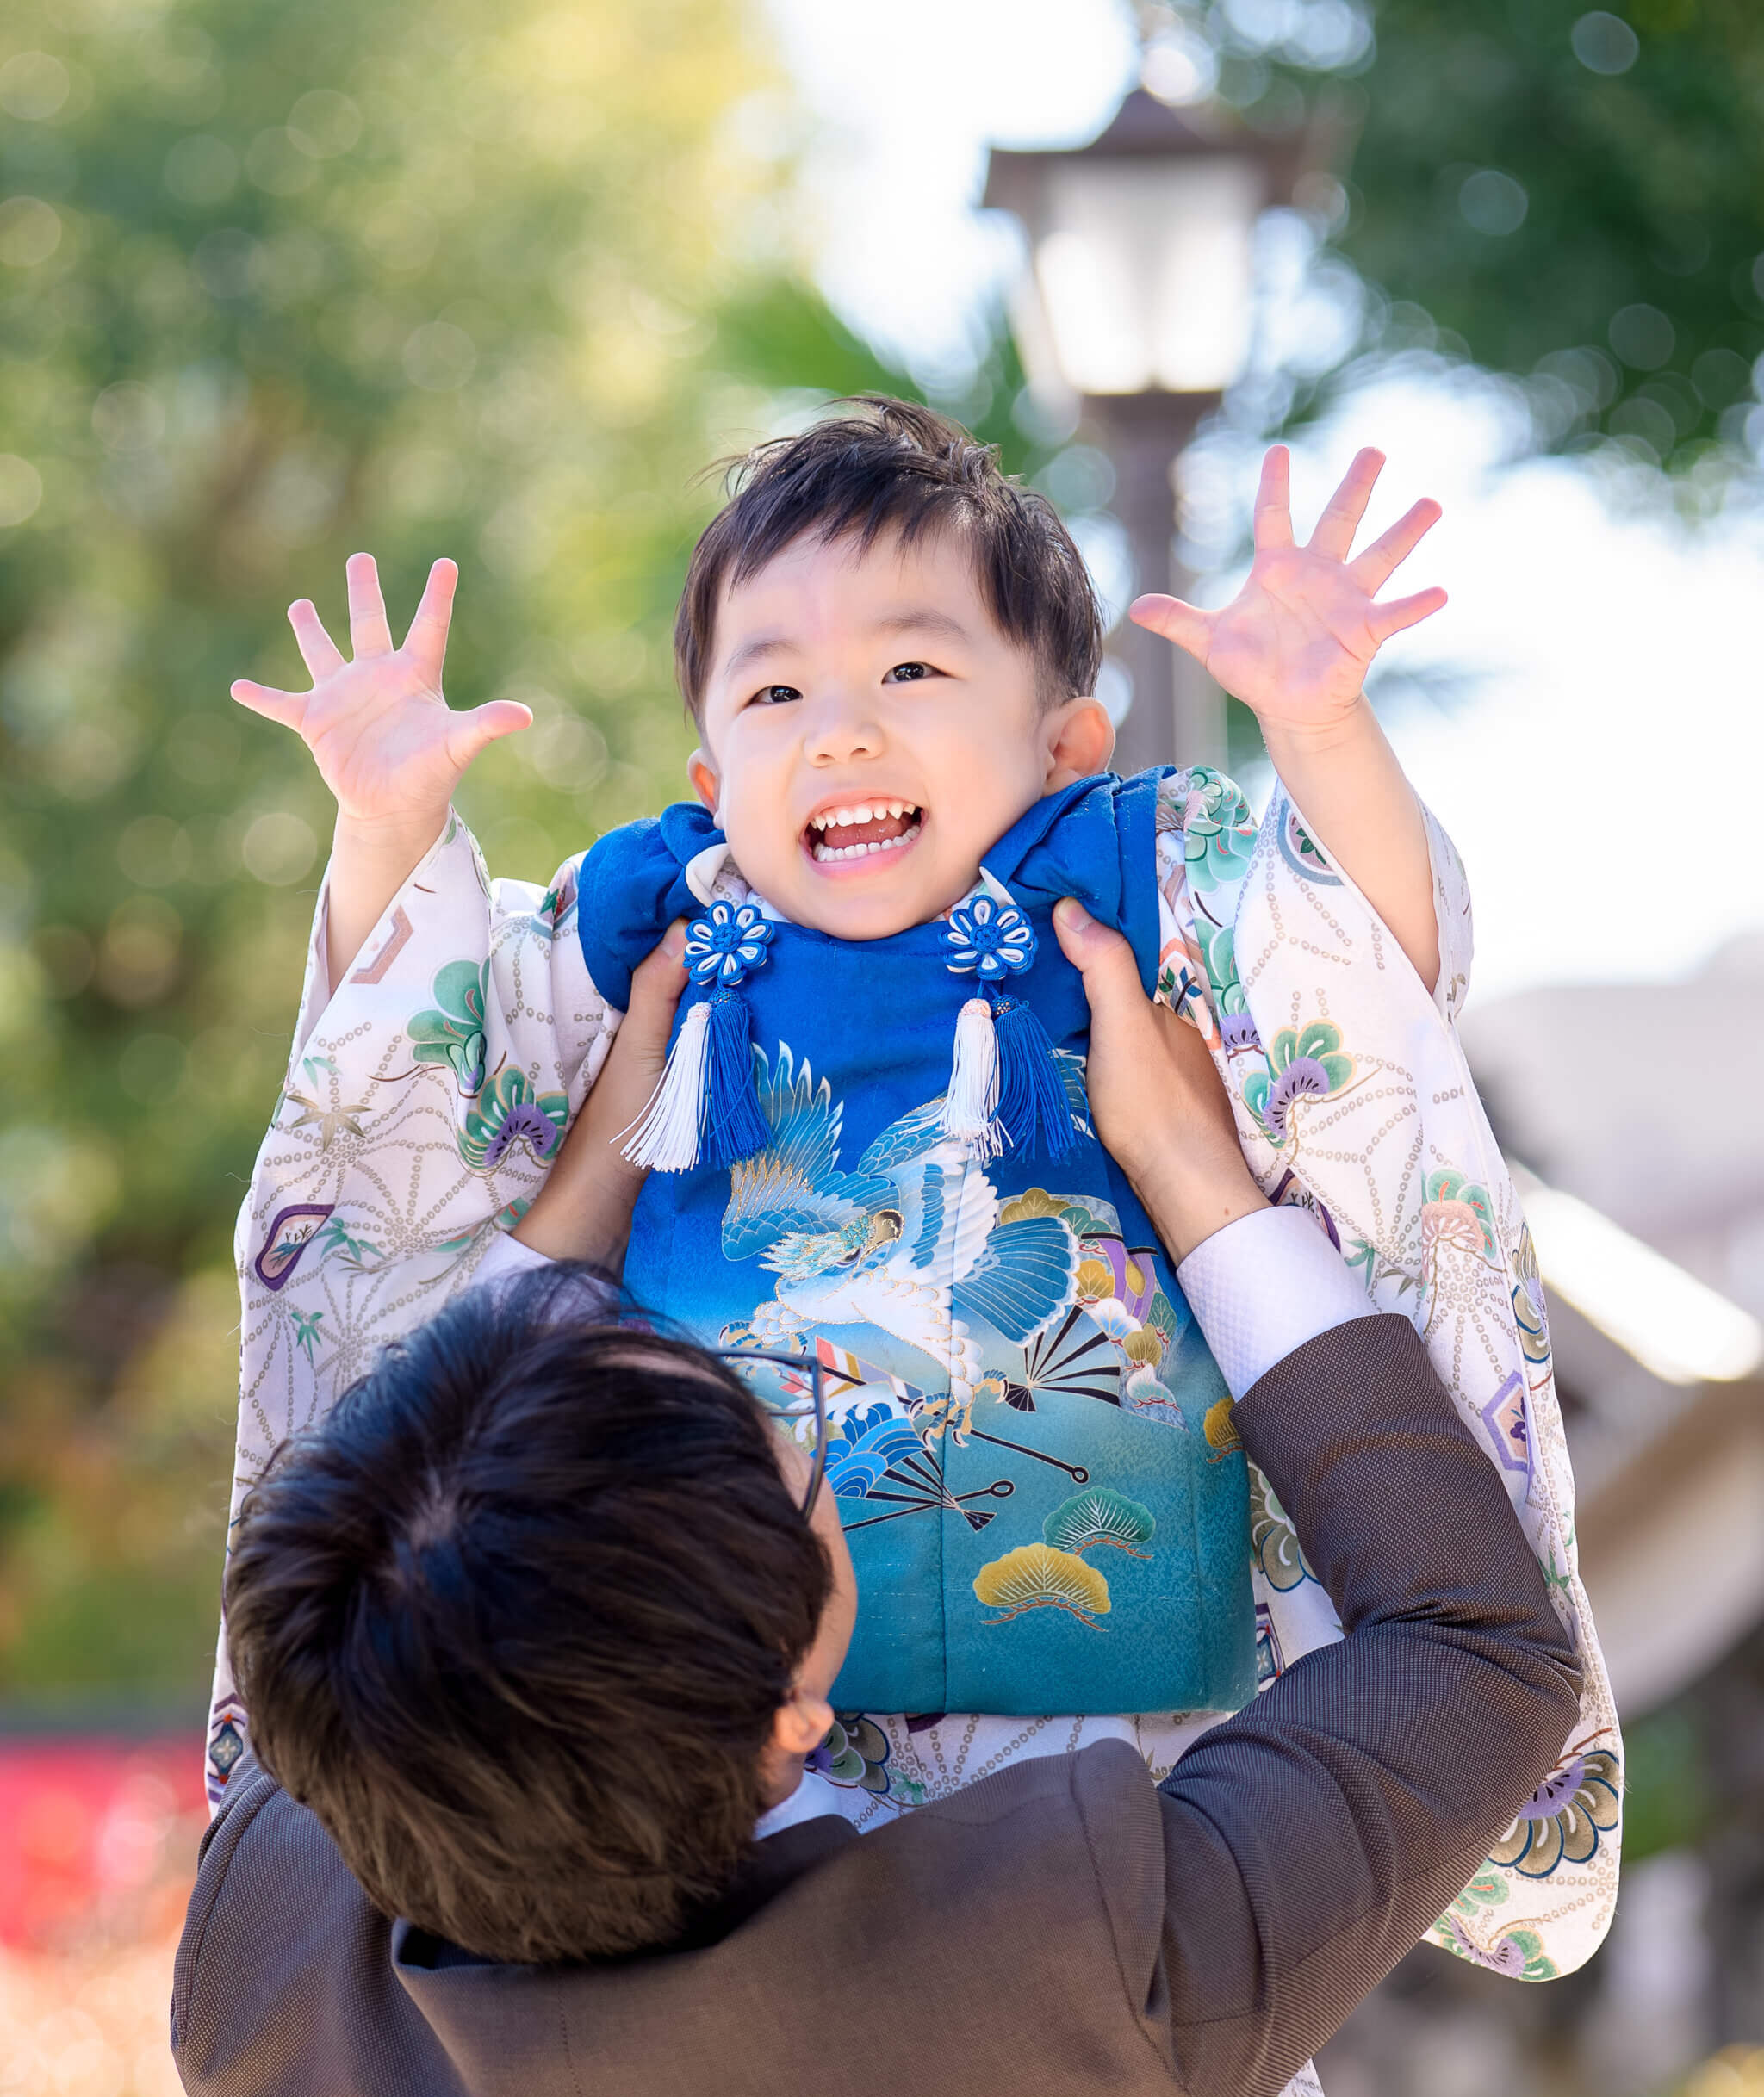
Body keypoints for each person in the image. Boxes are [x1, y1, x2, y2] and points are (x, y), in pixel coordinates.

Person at [213, 403, 1618, 2011]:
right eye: (776, 691)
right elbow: (428, 1073)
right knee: (777, 1994)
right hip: (748, 1683)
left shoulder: (1118, 870)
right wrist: (389, 825)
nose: (841, 732)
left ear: (1064, 743)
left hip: (1126, 1684)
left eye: (912, 672)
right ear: (709, 773)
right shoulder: (657, 916)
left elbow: (1359, 953)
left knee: (1127, 1997)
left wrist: (1322, 729)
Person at [174, 903, 1583, 2097]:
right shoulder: (1072, 1983)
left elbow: (360, 1576)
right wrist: (1194, 1172)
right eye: (790, 1446)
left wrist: (605, 1160)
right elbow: (1472, 1650)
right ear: (795, 1710)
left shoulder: (263, 2022)